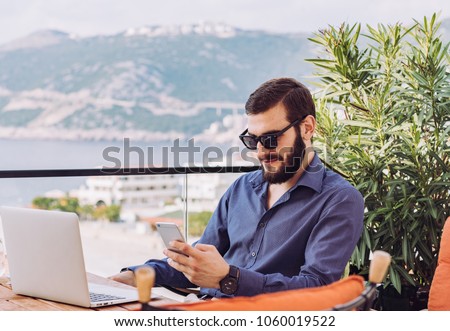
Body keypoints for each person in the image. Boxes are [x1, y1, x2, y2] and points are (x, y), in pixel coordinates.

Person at [110, 77, 364, 298]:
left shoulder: (339, 200)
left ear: (307, 128)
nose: (261, 151)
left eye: (271, 139)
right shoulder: (242, 188)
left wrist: (228, 278)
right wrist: (136, 275)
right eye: (252, 140)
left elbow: (317, 288)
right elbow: (199, 264)